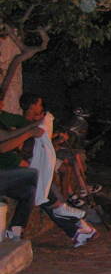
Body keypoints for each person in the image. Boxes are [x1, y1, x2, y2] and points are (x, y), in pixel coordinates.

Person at [2, 95, 98, 247]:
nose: (2, 104)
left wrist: (41, 124)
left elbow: (18, 129)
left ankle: (14, 231)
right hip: (5, 172)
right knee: (35, 175)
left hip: (9, 171)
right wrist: (29, 132)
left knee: (31, 192)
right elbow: (4, 146)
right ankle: (62, 208)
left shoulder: (4, 116)